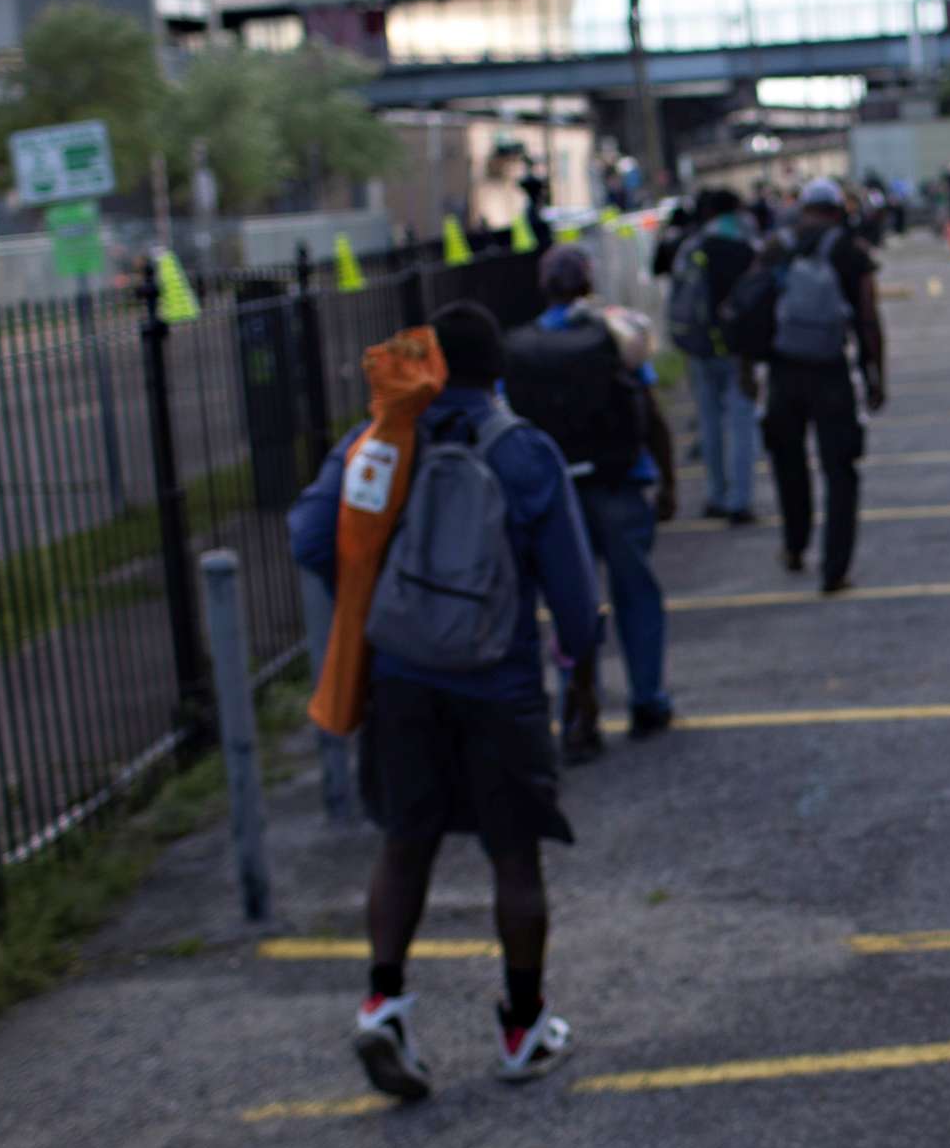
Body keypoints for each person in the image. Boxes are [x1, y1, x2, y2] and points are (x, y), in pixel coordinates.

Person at [289, 300, 598, 1095]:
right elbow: (571, 593)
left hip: (401, 680)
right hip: (499, 681)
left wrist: (377, 594)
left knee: (404, 842)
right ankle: (523, 1027)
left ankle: (384, 1002)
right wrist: (579, 662)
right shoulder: (524, 451)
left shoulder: (384, 441)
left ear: (428, 361)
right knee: (514, 856)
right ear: (499, 371)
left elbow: (312, 537)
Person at [519, 245, 677, 757]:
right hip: (620, 481)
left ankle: (579, 710)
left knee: (572, 605)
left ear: (545, 288)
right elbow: (649, 412)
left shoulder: (525, 349)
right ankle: (647, 698)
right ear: (588, 284)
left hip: (556, 492)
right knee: (636, 593)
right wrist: (668, 478)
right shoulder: (615, 335)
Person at [760, 178, 887, 593]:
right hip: (830, 371)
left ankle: (795, 546)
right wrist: (875, 374)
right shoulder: (850, 250)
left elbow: (751, 306)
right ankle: (835, 569)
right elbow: (868, 317)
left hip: (782, 371)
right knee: (840, 471)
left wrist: (748, 369)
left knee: (789, 464)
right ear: (837, 210)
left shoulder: (776, 246)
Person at [665, 191, 762, 525]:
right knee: (741, 424)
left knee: (709, 423)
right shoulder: (746, 245)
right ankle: (740, 500)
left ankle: (716, 494)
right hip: (737, 348)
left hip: (700, 346)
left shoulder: (692, 247)